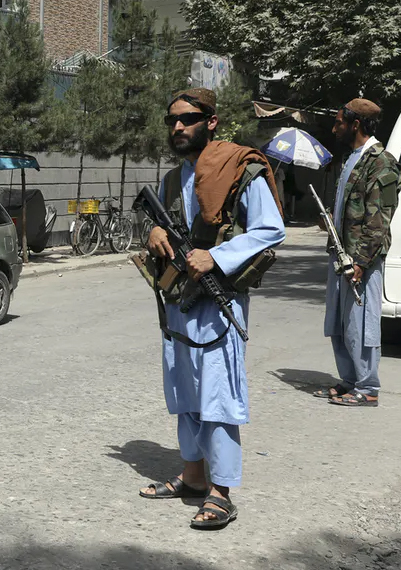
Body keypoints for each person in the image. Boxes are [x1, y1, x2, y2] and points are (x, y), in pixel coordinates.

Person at [139, 87, 286, 530]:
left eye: (188, 119)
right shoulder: (171, 179)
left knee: (218, 395)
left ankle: (221, 492)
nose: (178, 127)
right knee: (184, 389)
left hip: (219, 301)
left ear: (212, 121)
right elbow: (160, 222)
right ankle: (193, 475)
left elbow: (270, 230)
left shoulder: (244, 169)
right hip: (179, 300)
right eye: (172, 121)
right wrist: (152, 234)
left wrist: (216, 256)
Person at [319, 99, 401, 407]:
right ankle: (349, 380)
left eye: (339, 122)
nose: (335, 127)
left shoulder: (381, 162)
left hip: (360, 259)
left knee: (361, 324)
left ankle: (368, 387)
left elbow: (379, 219)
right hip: (340, 255)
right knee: (340, 322)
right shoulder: (351, 159)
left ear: (355, 125)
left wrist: (361, 262)